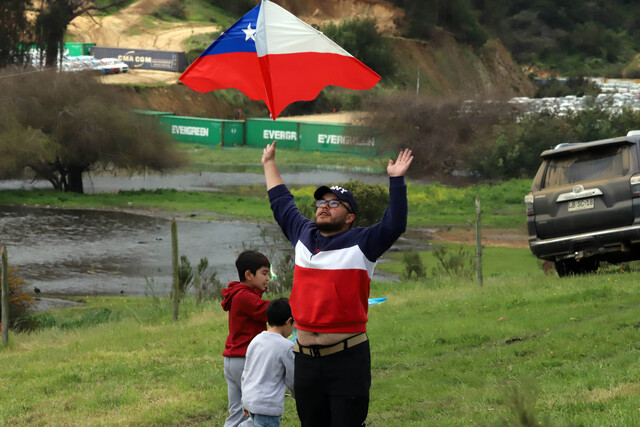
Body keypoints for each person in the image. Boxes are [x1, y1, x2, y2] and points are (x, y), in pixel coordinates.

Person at [261, 141, 413, 426]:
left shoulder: (363, 242)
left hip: (347, 360)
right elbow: (282, 203)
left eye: (334, 203)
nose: (324, 207)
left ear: (350, 217)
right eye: (321, 202)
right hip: (304, 361)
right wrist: (269, 162)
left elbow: (394, 225)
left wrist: (396, 181)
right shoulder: (303, 234)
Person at [221, 250, 272, 427]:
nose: (268, 278)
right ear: (249, 275)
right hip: (245, 360)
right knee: (257, 412)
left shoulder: (239, 294)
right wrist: (296, 303)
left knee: (237, 413)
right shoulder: (245, 297)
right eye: (264, 273)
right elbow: (269, 312)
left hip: (232, 360)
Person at [241, 298, 296, 427]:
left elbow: (246, 373)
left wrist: (244, 400)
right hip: (267, 407)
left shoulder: (256, 340)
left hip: (251, 401)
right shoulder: (287, 346)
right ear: (289, 322)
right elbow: (293, 378)